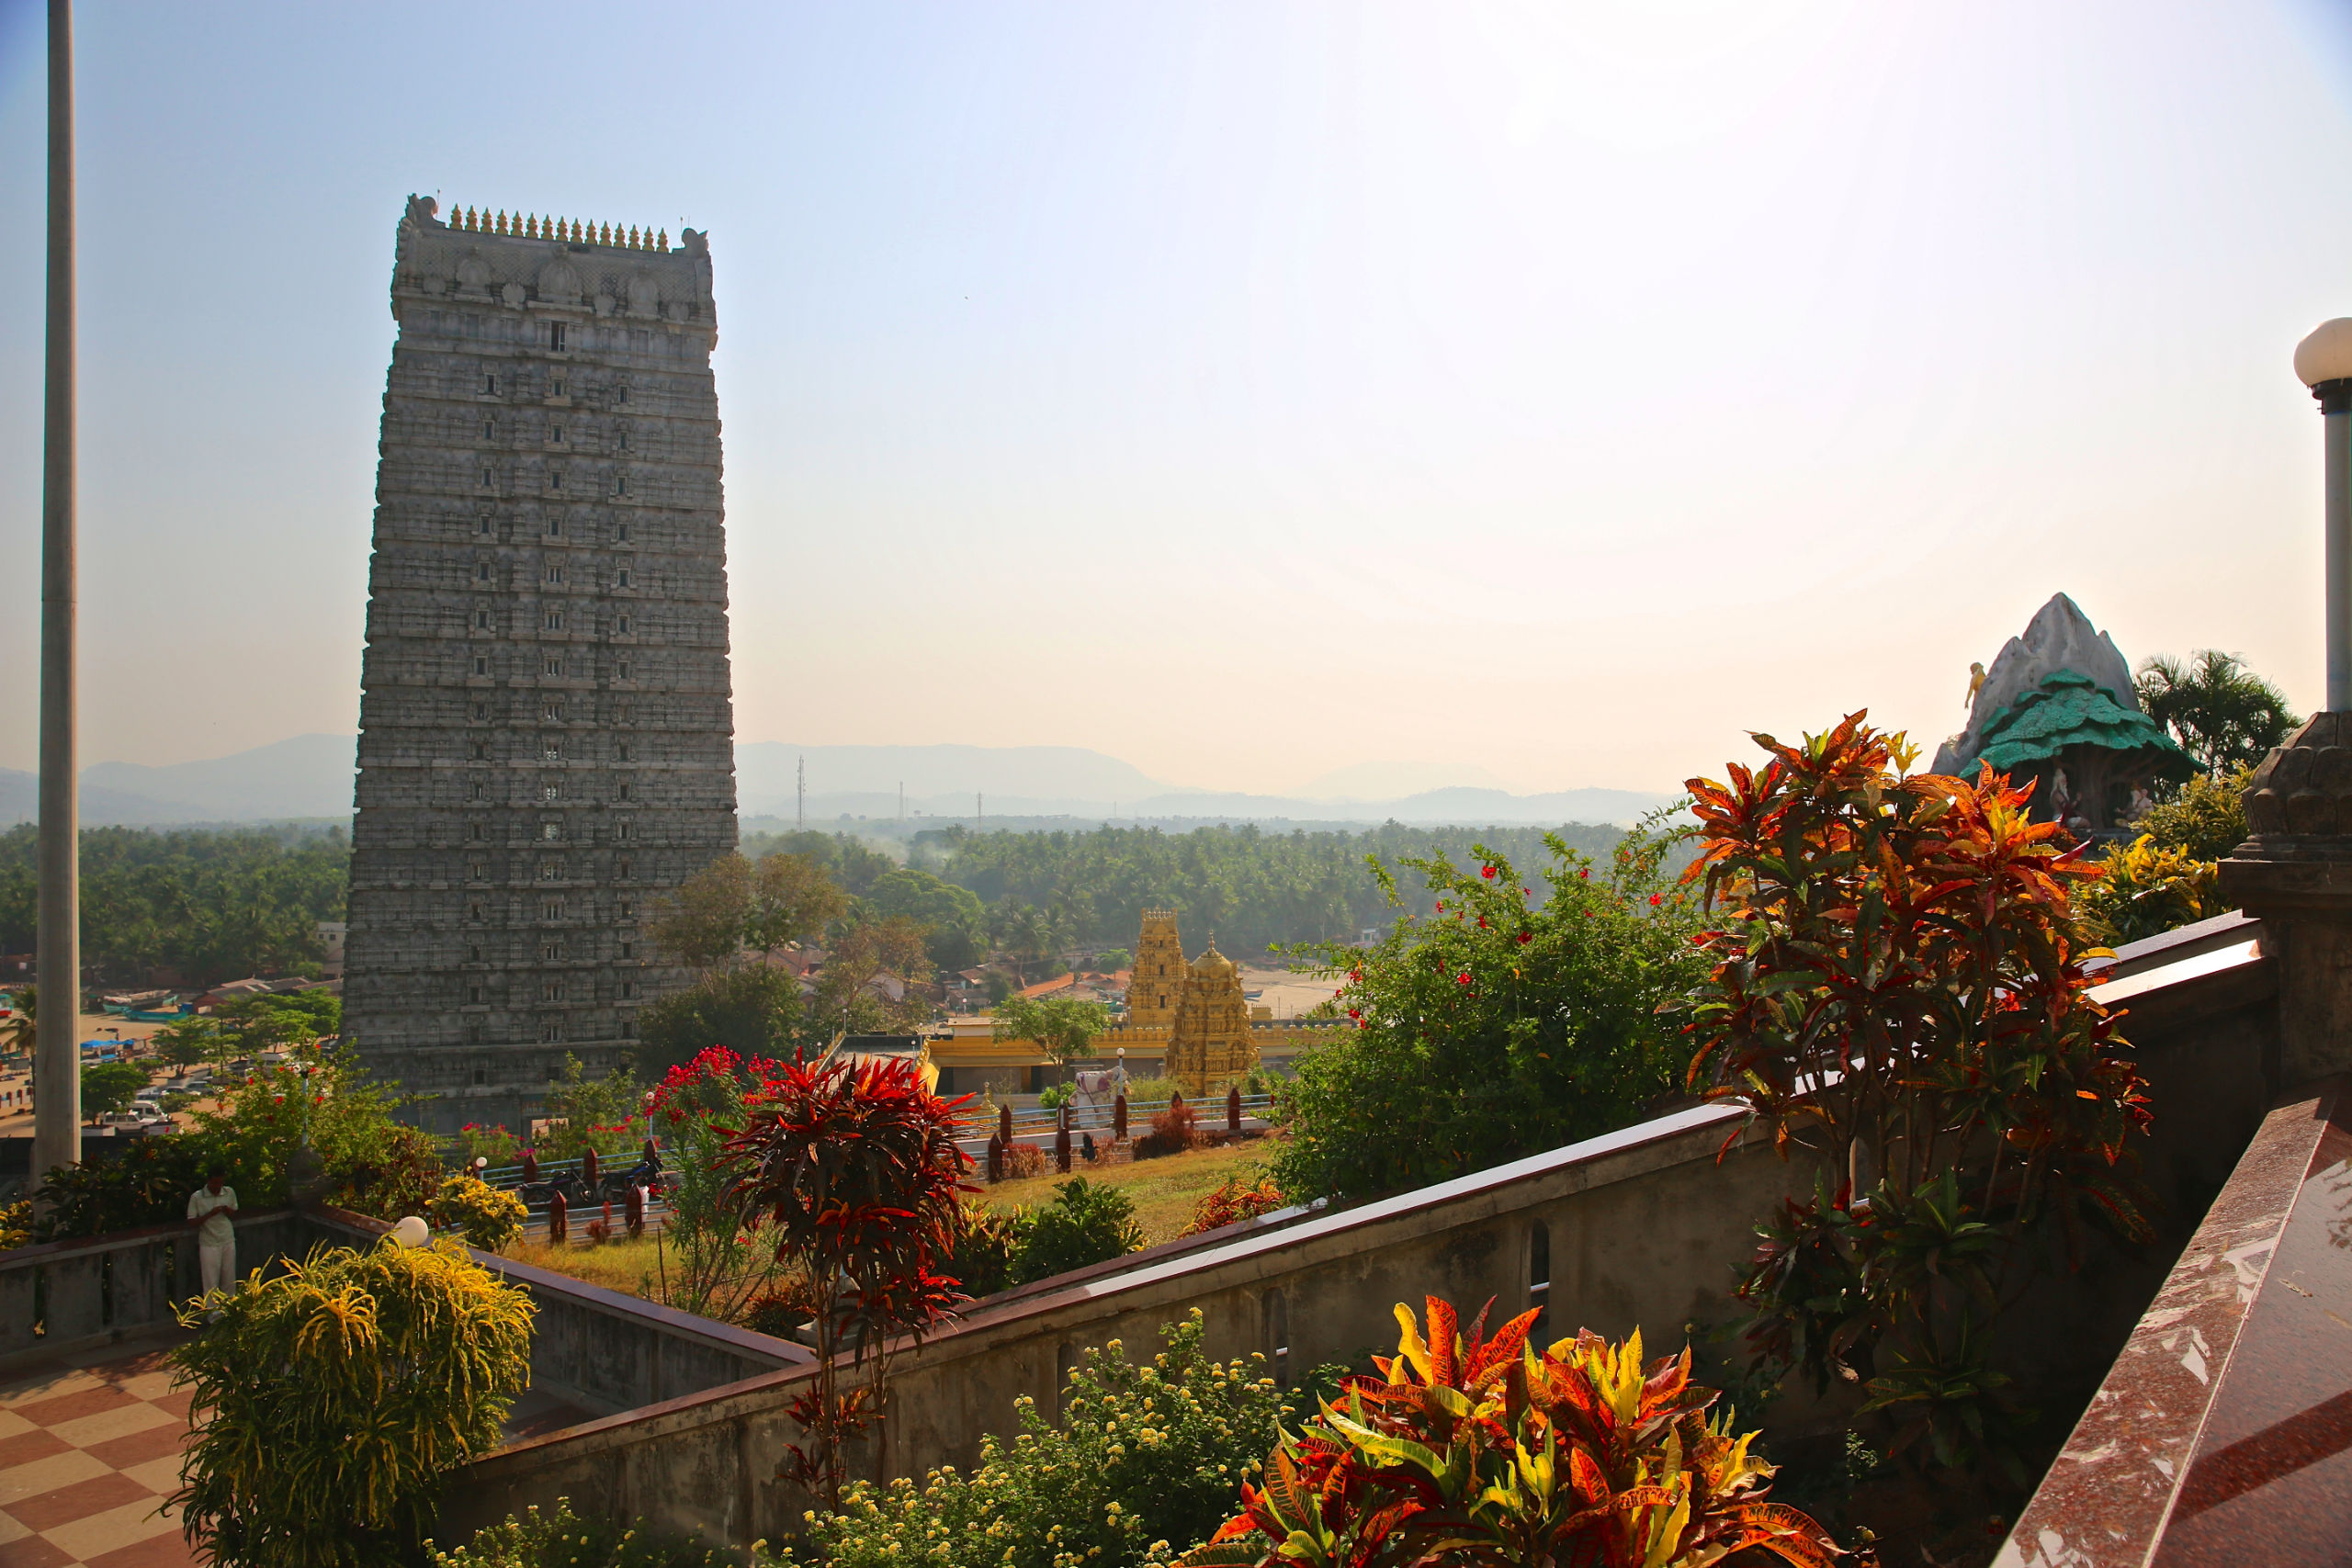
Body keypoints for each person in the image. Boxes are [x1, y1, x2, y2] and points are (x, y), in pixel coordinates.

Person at [187, 1165, 239, 1307]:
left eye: (220, 1183)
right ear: (209, 1181)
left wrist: (227, 1211)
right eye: (215, 1183)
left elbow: (234, 1212)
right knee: (210, 1280)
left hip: (227, 1238)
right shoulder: (197, 1197)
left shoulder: (229, 1192)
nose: (218, 1186)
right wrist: (210, 1214)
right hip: (209, 1242)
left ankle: (230, 1309)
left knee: (229, 1277)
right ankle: (212, 1313)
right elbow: (191, 1221)